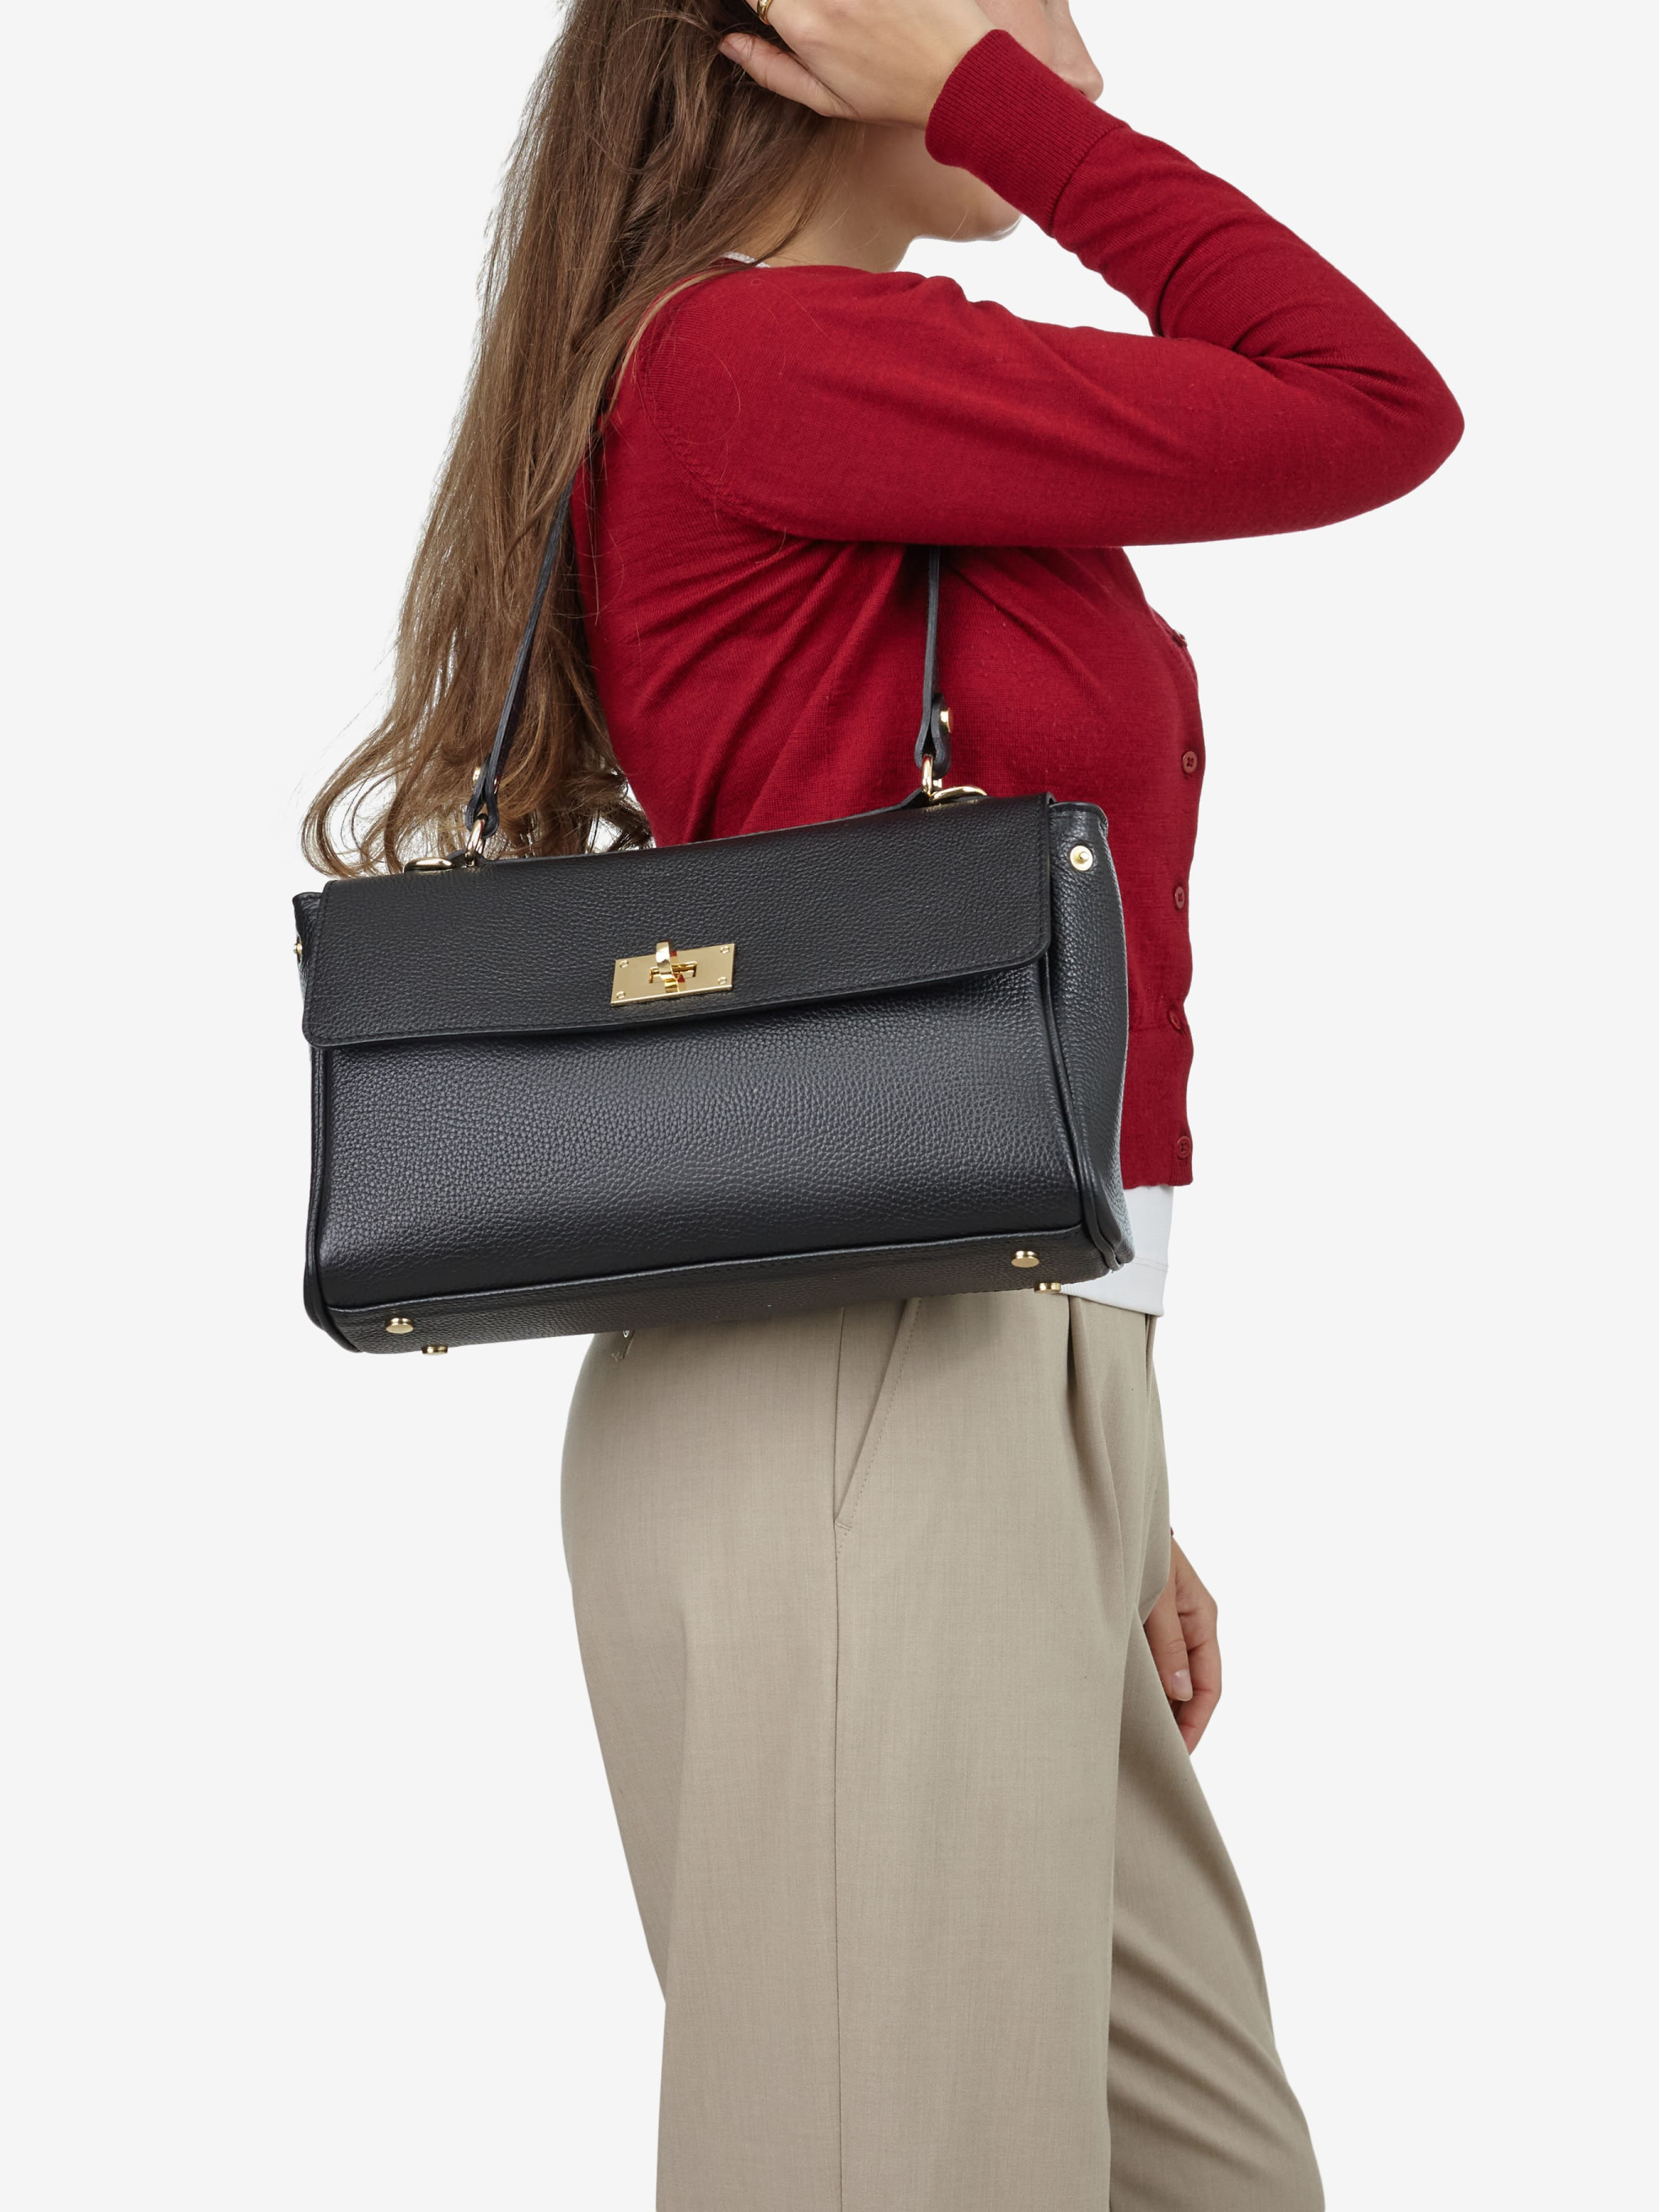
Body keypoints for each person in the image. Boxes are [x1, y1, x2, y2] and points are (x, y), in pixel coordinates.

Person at [306, 0, 1461, 2202]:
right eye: (1011, 5)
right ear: (808, 31)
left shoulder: (848, 382)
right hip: (859, 1399)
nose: (1075, 60)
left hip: (976, 1378)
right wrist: (992, 106)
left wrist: (1101, 1454)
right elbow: (1367, 404)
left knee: (1205, 2169)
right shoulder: (763, 361)